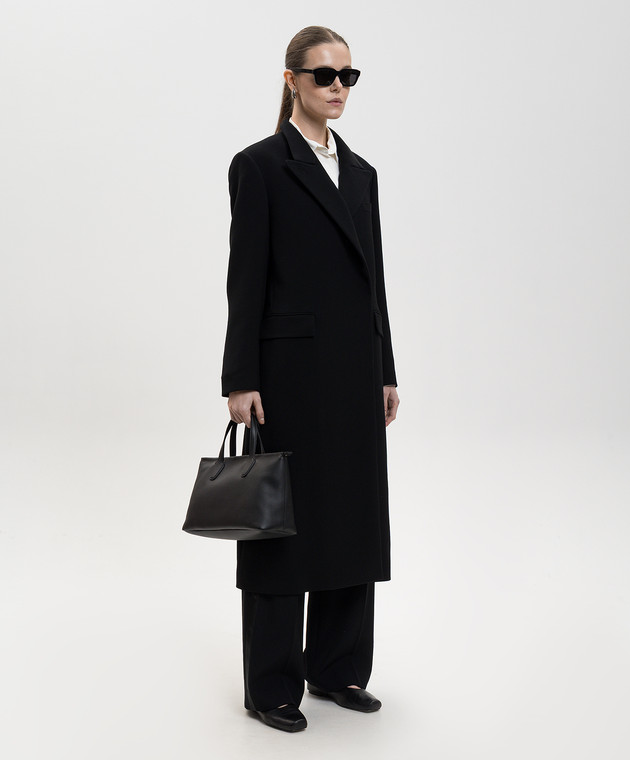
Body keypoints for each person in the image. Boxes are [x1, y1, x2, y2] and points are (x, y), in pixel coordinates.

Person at [220, 25, 400, 733]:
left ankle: (337, 668)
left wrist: (386, 370)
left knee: (352, 517)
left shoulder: (362, 174)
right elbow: (245, 280)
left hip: (355, 371)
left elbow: (374, 282)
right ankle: (270, 685)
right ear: (291, 79)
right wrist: (240, 377)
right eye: (324, 75)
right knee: (281, 526)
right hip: (288, 373)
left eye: (347, 76)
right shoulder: (261, 166)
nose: (337, 88)